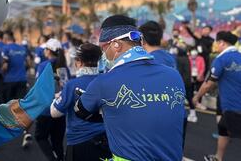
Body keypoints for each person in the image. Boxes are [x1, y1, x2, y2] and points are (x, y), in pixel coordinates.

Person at [75, 15, 185, 161]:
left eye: (103, 47)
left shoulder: (105, 82)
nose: (103, 54)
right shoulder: (174, 75)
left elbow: (80, 111)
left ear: (116, 45)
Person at [50, 43, 111, 161]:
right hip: (105, 140)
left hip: (79, 142)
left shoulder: (72, 84)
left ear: (79, 62)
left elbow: (55, 112)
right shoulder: (108, 82)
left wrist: (58, 98)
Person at [193, 31, 241, 161]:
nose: (215, 45)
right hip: (232, 108)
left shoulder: (221, 59)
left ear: (222, 43)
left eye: (216, 42)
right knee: (223, 128)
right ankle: (218, 158)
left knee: (227, 129)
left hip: (233, 107)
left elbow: (208, 84)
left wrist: (196, 97)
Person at [35, 38, 70, 161]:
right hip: (60, 108)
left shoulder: (43, 66)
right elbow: (65, 87)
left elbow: (39, 87)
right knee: (57, 141)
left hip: (45, 109)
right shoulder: (63, 67)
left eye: (45, 48)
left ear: (48, 51)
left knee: (40, 137)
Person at [0, 31, 28, 102]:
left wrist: (1, 72)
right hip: (22, 79)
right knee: (20, 105)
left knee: (9, 105)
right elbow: (28, 63)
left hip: (9, 80)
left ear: (5, 39)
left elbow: (5, 66)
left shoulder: (5, 48)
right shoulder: (22, 48)